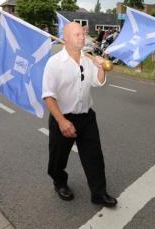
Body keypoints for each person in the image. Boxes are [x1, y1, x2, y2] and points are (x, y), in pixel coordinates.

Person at [42, 22, 117, 207]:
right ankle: (59, 182)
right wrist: (61, 121)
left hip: (86, 117)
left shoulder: (87, 59)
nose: (83, 37)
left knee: (94, 157)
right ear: (65, 38)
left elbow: (97, 83)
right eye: (77, 34)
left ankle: (98, 193)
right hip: (63, 117)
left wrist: (99, 67)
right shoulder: (55, 63)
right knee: (58, 159)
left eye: (83, 34)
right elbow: (48, 96)